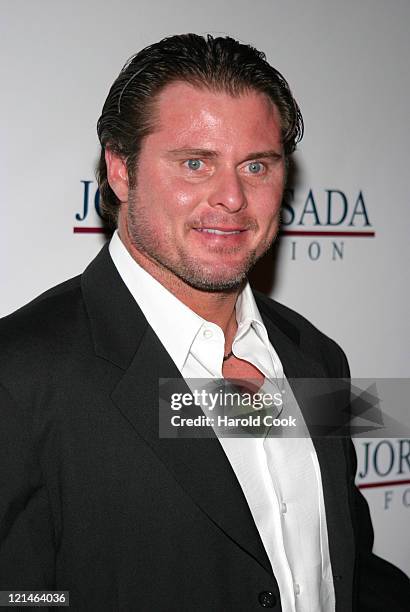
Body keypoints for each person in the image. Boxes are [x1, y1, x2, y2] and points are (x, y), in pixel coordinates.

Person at [0, 33, 408, 612]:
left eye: (256, 165)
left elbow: (345, 566)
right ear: (120, 170)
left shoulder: (314, 356)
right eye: (195, 163)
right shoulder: (19, 377)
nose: (233, 198)